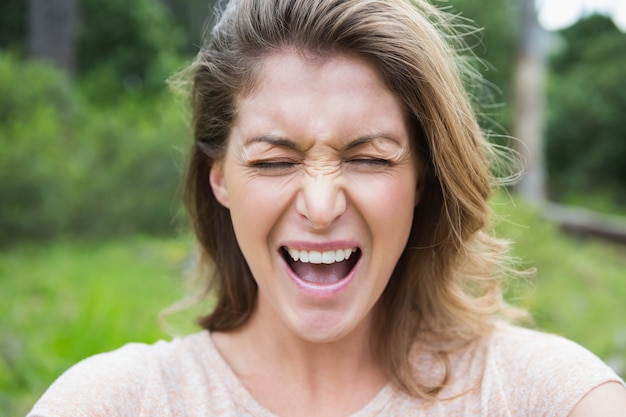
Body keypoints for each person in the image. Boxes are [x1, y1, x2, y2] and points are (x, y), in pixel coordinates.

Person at [28, 0, 626, 416]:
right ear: (220, 181)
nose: (319, 206)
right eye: (272, 161)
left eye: (368, 158)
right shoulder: (112, 402)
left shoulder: (547, 397)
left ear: (423, 178)